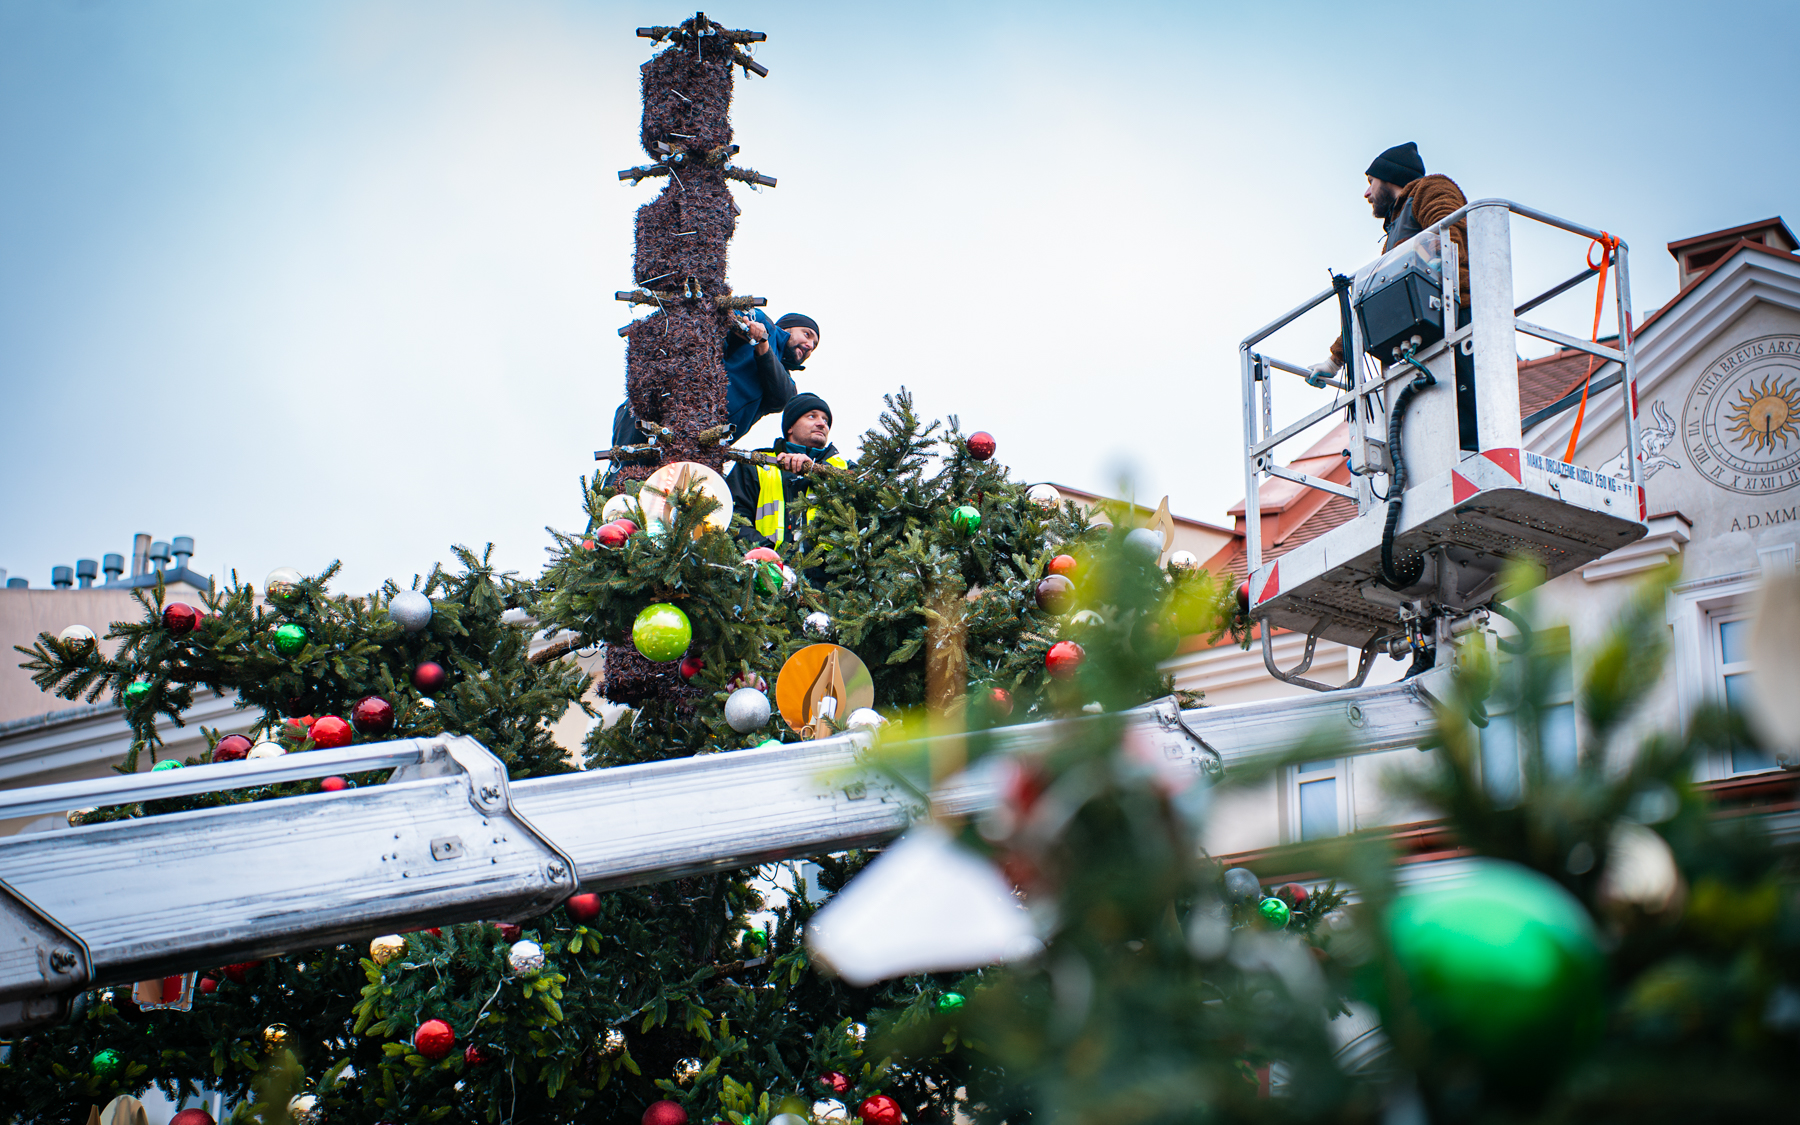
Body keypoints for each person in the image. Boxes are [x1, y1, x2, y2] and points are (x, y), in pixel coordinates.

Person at [1313, 142, 1478, 451]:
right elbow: (1377, 302)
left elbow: (1448, 231)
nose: (1366, 193)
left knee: (1468, 428)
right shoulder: (1394, 237)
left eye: (1369, 183)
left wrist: (1434, 261)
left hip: (1459, 321)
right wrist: (1335, 360)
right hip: (1428, 334)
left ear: (1389, 177)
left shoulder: (1432, 189)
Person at [604, 310, 822, 470]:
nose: (810, 345)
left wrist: (762, 346)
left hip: (699, 445)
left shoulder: (786, 383)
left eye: (814, 344)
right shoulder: (762, 321)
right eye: (807, 334)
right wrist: (742, 329)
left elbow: (781, 398)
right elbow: (712, 324)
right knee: (625, 479)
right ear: (787, 328)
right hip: (658, 413)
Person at [726, 391, 849, 552]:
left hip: (829, 576)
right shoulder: (756, 464)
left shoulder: (844, 469)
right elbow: (734, 519)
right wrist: (770, 558)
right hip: (768, 572)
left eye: (825, 420)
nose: (822, 424)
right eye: (812, 416)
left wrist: (815, 471)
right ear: (790, 426)